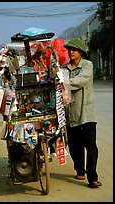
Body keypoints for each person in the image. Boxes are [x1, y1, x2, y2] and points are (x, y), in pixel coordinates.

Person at [60, 38, 102, 188]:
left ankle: (92, 178)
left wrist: (63, 83)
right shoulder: (64, 69)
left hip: (86, 113)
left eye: (75, 49)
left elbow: (81, 80)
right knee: (74, 145)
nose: (71, 52)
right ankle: (80, 170)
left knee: (90, 146)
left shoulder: (87, 65)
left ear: (81, 52)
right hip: (71, 113)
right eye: (69, 49)